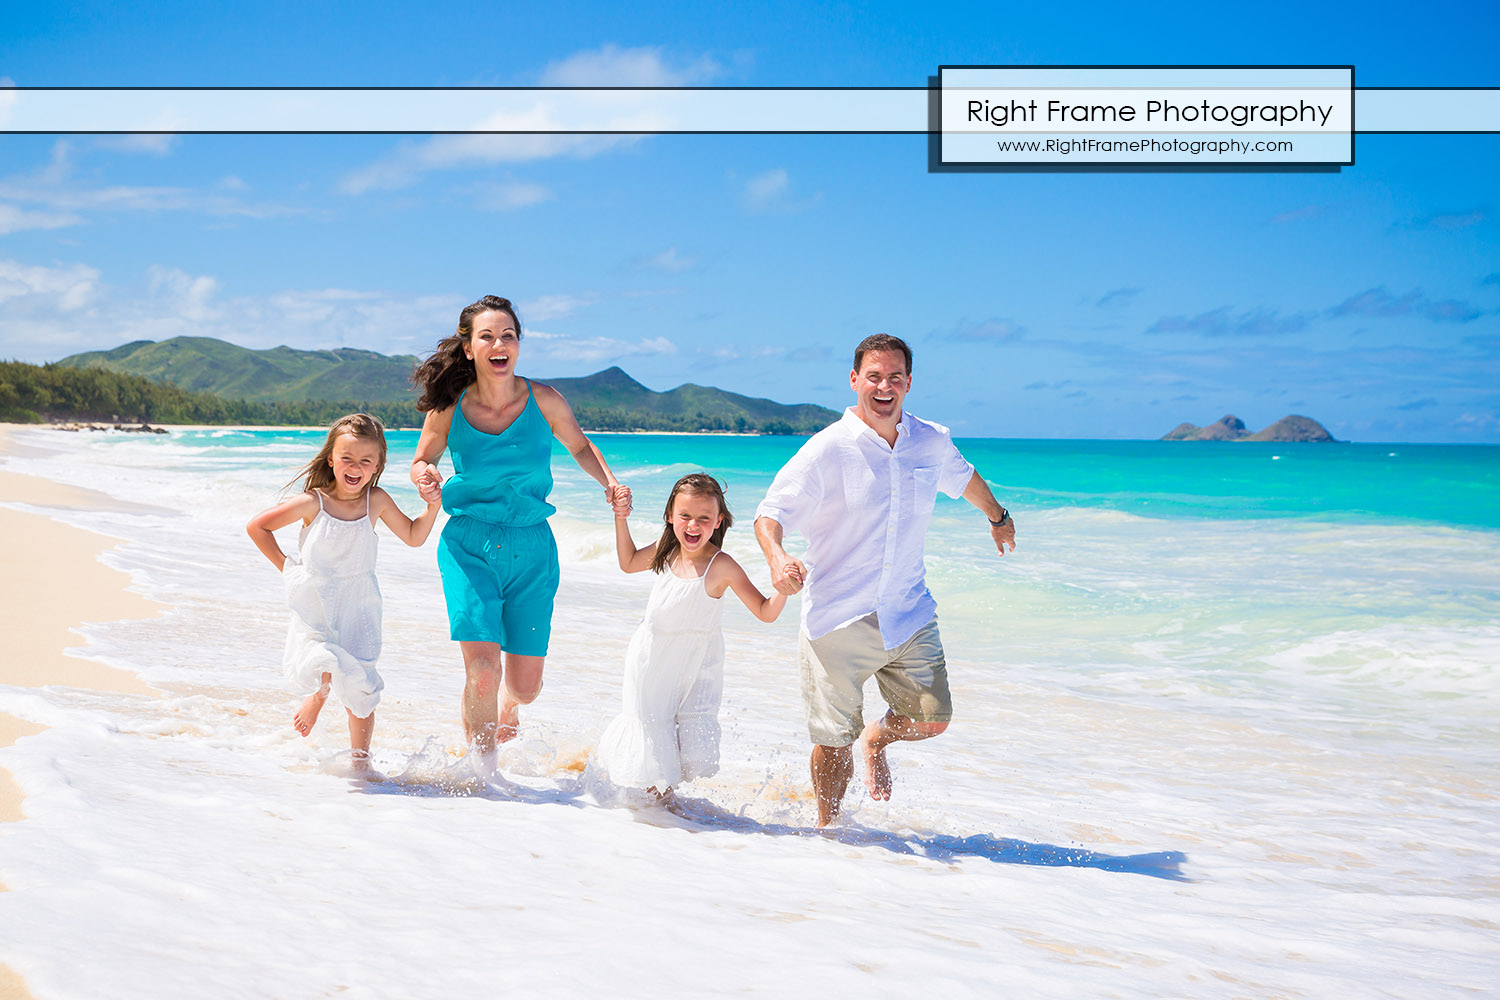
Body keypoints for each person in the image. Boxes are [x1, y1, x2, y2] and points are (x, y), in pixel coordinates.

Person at [754, 334, 1017, 827]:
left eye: (895, 376)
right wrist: (776, 558)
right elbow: (770, 515)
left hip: (907, 611)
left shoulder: (930, 440)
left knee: (931, 718)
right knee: (832, 740)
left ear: (909, 383)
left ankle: (877, 738)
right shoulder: (826, 450)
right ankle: (829, 832)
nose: (884, 386)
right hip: (837, 616)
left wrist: (998, 516)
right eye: (873, 376)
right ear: (855, 380)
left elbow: (964, 479)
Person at [410, 295, 625, 757]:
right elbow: (423, 457)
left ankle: (509, 705)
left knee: (523, 687)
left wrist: (609, 482)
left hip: (532, 548)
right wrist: (425, 475)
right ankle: (483, 773)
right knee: (483, 668)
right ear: (469, 348)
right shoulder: (449, 406)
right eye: (487, 335)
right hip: (468, 543)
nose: (499, 343)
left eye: (508, 335)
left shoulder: (544, 400)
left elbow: (581, 447)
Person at [247, 413, 441, 770]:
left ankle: (360, 763)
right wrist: (289, 570)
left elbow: (414, 536)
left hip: (360, 603)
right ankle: (320, 695)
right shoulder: (313, 503)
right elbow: (258, 527)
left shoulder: (376, 501)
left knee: (362, 688)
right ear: (331, 458)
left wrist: (433, 507)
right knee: (324, 657)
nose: (356, 467)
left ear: (378, 464)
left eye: (366, 461)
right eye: (347, 458)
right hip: (317, 597)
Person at [595, 474, 786, 799]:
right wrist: (620, 517)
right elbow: (627, 563)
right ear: (670, 515)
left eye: (703, 518)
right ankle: (647, 814)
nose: (693, 525)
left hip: (696, 666)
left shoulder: (721, 565)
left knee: (681, 748)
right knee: (651, 738)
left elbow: (766, 612)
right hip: (651, 661)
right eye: (685, 516)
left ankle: (664, 810)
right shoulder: (666, 550)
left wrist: (783, 590)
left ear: (718, 521)